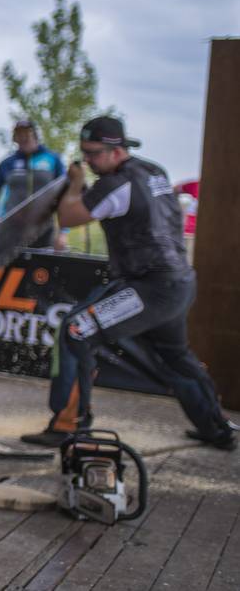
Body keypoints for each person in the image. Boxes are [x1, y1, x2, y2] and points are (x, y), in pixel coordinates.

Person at [20, 117, 234, 450]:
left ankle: (67, 425)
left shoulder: (114, 183)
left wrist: (75, 185)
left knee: (77, 330)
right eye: (84, 154)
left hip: (151, 287)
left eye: (93, 154)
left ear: (117, 150)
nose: (88, 161)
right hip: (176, 283)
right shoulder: (154, 172)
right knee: (175, 356)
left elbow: (71, 217)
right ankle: (215, 428)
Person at [0, 119, 65, 249]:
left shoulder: (53, 159)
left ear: (34, 135)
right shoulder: (8, 163)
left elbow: (64, 193)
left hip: (44, 227)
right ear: (14, 138)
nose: (23, 137)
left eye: (27, 133)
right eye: (19, 134)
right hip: (11, 227)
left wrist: (63, 233)